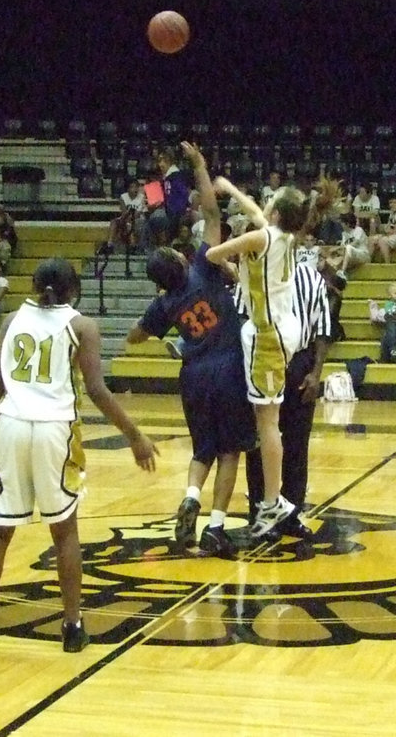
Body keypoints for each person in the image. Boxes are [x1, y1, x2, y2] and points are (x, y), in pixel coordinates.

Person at [0, 259, 158, 659]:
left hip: (10, 423)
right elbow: (97, 390)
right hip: (55, 429)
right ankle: (72, 626)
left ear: (35, 285)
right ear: (75, 289)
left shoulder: (11, 320)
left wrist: (4, 419)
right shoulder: (82, 326)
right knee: (64, 531)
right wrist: (134, 435)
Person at [125, 142, 257, 558]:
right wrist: (200, 165)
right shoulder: (203, 266)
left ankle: (190, 497)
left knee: (203, 449)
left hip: (193, 376)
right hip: (228, 367)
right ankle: (216, 526)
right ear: (181, 262)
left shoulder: (164, 303)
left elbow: (133, 337)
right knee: (230, 449)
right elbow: (213, 213)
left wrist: (158, 327)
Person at [206, 174, 336, 537]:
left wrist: (235, 265)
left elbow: (213, 254)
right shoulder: (283, 235)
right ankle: (273, 499)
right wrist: (231, 188)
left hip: (265, 335)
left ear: (276, 211)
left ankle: (273, 501)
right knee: (270, 421)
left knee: (267, 423)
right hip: (285, 329)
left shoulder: (260, 237)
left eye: (269, 200)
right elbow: (253, 211)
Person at [243, 257, 332, 540]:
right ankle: (260, 511)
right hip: (263, 357)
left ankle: (291, 514)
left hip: (299, 362)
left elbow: (323, 329)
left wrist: (316, 373)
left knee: (297, 442)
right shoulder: (253, 273)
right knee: (259, 442)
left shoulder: (312, 278)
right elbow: (240, 319)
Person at [326, 212, 369, 280]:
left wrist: (337, 248)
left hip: (362, 254)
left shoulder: (358, 230)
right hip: (351, 256)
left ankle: (342, 272)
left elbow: (354, 244)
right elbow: (343, 249)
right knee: (332, 257)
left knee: (348, 247)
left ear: (347, 223)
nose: (341, 224)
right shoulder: (344, 234)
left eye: (342, 222)